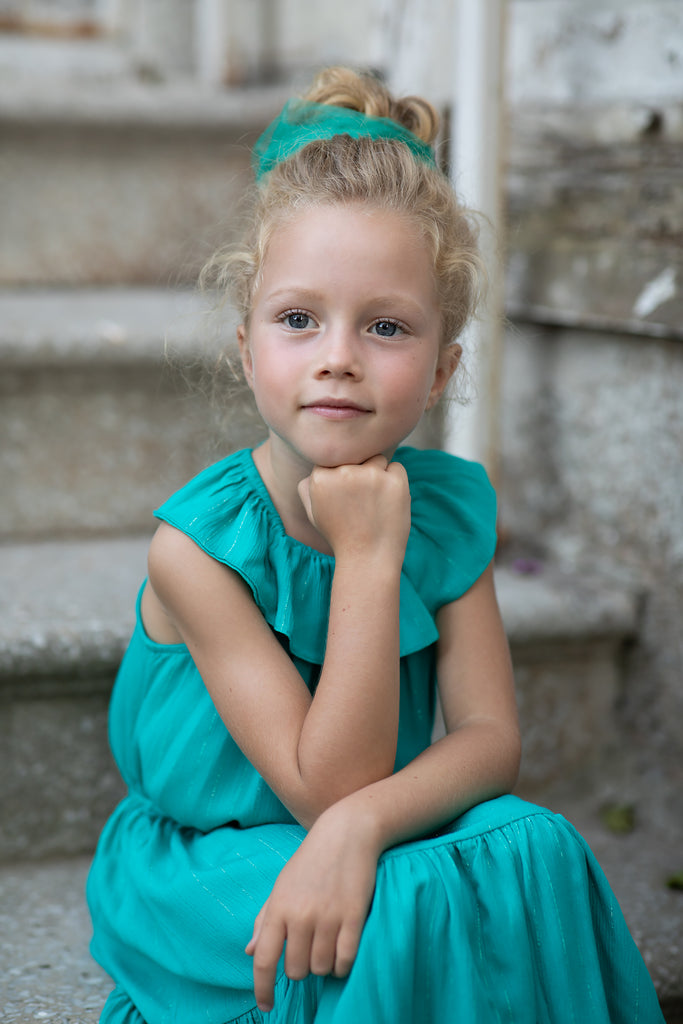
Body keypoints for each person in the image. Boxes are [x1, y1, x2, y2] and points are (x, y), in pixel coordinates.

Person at [87, 67, 664, 1024]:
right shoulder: (197, 553)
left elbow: (488, 740)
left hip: (365, 824)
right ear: (246, 348)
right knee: (410, 908)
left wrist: (361, 825)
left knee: (534, 844)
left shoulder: (446, 511)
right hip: (206, 860)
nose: (337, 357)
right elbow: (323, 787)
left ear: (440, 371)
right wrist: (364, 559)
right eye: (297, 319)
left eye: (385, 326)